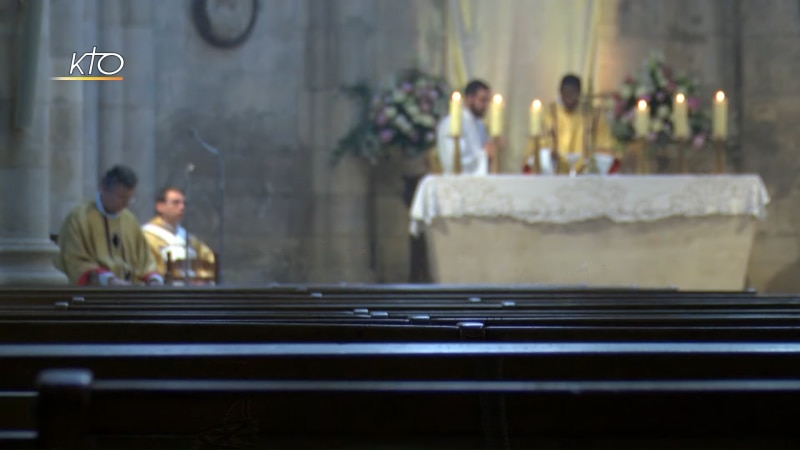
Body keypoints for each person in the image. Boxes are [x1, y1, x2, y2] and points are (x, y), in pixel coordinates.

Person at [55, 165, 163, 286]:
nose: (126, 203)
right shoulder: (79, 218)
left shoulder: (129, 220)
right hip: (94, 295)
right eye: (121, 197)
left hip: (130, 292)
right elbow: (74, 261)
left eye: (130, 198)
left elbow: (145, 259)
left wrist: (153, 279)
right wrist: (108, 280)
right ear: (104, 189)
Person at [529, 74, 616, 174]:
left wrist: (589, 156)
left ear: (579, 93)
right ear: (560, 92)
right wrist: (549, 154)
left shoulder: (593, 115)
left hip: (585, 172)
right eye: (566, 93)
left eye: (572, 93)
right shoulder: (550, 115)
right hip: (555, 170)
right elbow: (538, 145)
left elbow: (605, 146)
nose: (568, 98)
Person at [142, 187, 216, 285]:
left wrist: (201, 279)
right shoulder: (147, 236)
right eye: (176, 203)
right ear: (160, 206)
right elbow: (150, 268)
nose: (182, 207)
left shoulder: (189, 238)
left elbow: (207, 260)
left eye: (184, 203)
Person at [435, 79, 501, 175]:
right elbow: (452, 159)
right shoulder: (450, 123)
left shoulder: (479, 125)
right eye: (482, 100)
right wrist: (484, 154)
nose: (486, 106)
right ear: (469, 98)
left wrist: (492, 148)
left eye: (487, 101)